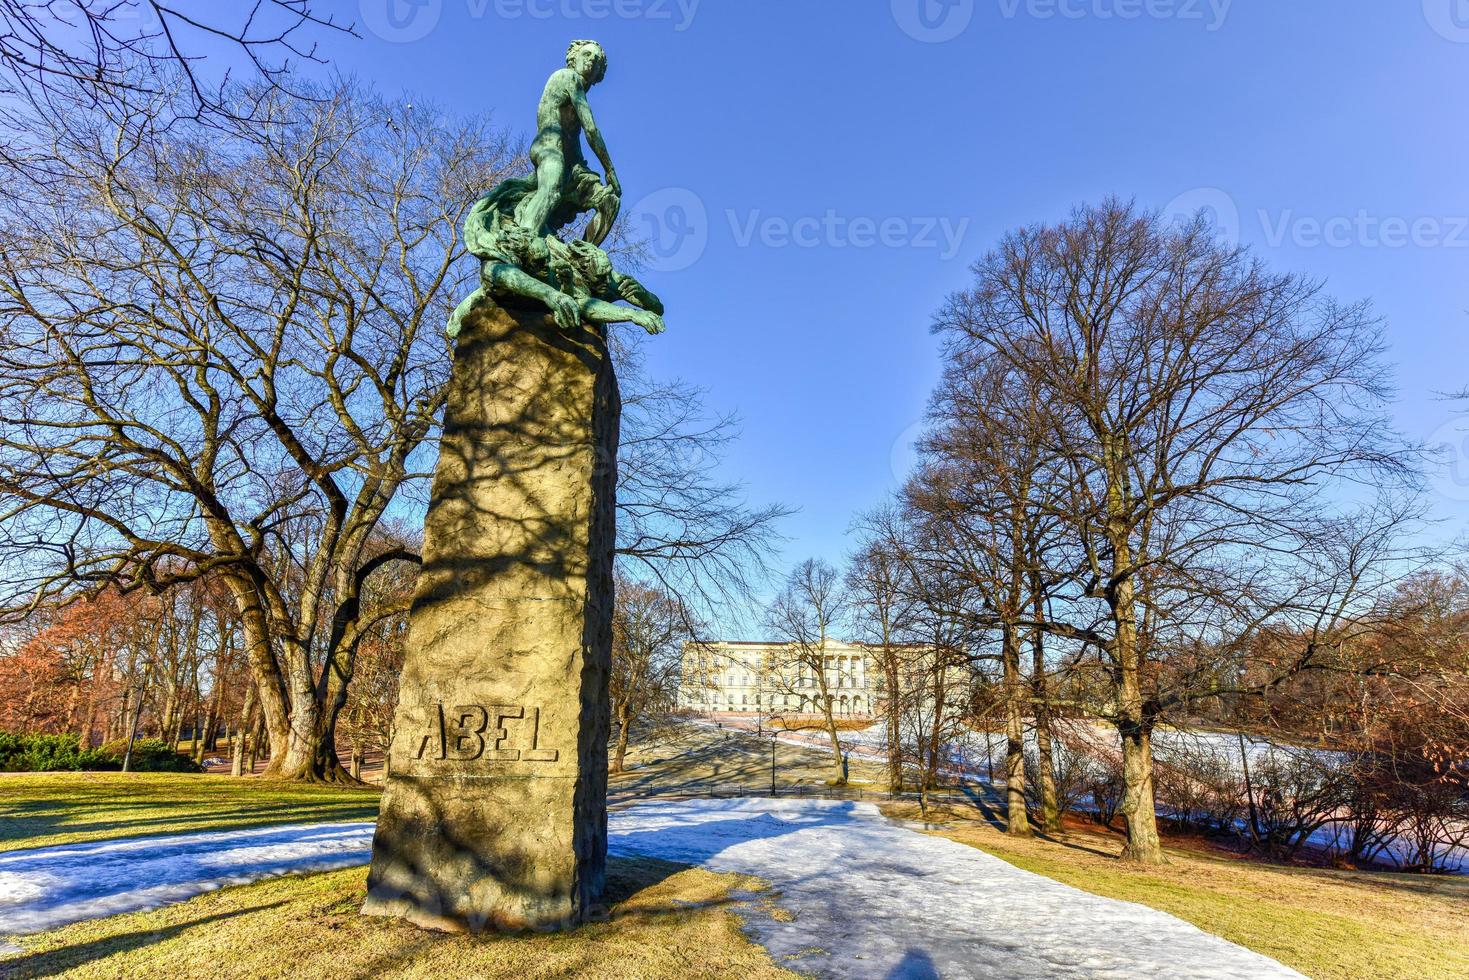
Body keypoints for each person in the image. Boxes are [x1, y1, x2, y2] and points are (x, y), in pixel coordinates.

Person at [516, 40, 621, 245]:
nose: (591, 61)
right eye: (587, 55)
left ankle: (581, 259)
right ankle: (523, 241)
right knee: (552, 192)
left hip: (570, 165)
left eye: (597, 60)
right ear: (573, 58)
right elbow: (591, 130)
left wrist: (584, 173)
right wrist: (610, 171)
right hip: (549, 149)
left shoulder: (577, 97)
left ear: (600, 73)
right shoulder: (567, 76)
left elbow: (574, 144)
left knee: (609, 202)